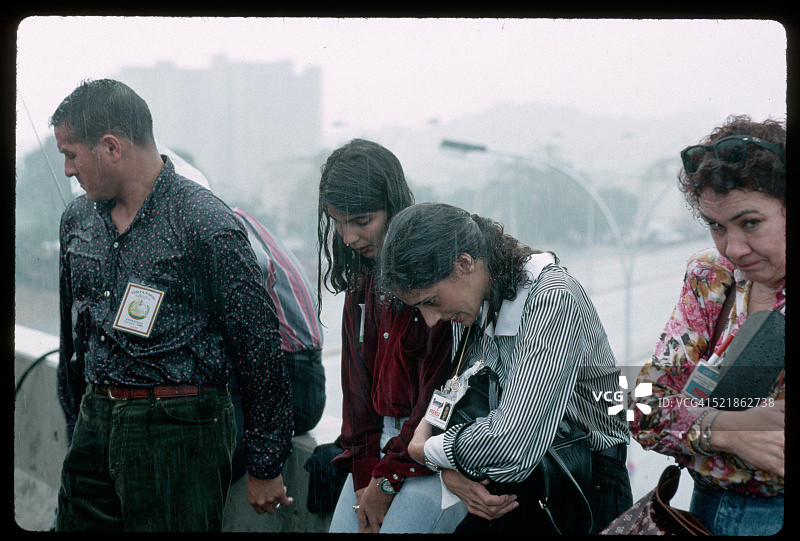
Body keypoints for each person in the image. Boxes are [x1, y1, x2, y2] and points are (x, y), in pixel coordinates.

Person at [52, 79, 293, 531]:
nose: (67, 170)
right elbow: (73, 332)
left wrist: (265, 463)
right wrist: (76, 419)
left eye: (72, 155)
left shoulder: (205, 223)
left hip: (179, 431)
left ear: (111, 147)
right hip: (94, 422)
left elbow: (258, 347)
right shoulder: (78, 220)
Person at [378, 201, 633, 534]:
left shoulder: (552, 299)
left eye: (430, 301)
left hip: (584, 485)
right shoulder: (478, 303)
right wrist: (447, 471)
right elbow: (450, 398)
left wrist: (429, 451)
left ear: (464, 263)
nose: (430, 319)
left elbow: (514, 443)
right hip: (520, 484)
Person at [630, 115, 785, 536]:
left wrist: (693, 419)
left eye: (750, 223)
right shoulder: (711, 278)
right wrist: (724, 431)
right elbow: (641, 407)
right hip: (703, 511)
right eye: (716, 226)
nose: (733, 248)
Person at [317, 139, 465, 533]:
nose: (348, 237)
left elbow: (437, 399)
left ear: (393, 206)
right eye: (338, 222)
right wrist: (365, 472)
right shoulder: (360, 280)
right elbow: (357, 394)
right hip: (378, 447)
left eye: (361, 221)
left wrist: (384, 482)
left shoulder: (433, 278)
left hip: (428, 449)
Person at [229, 207, 326, 483]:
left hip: (296, 379)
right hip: (303, 373)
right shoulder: (233, 216)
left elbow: (259, 265)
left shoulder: (221, 222)